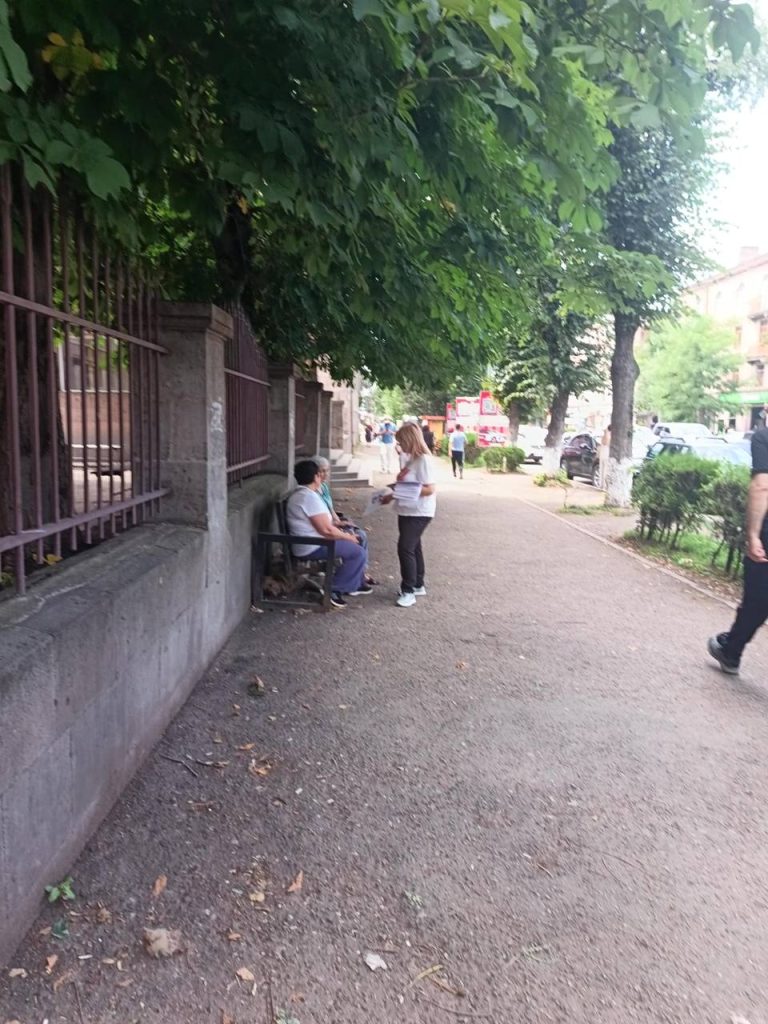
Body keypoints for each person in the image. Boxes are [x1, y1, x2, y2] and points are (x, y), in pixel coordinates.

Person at [708, 427, 768, 674]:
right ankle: (731, 648)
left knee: (757, 599)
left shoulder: (764, 437)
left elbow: (762, 486)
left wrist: (753, 534)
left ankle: (731, 652)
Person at [286, 459, 370, 608]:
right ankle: (333, 590)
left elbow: (321, 525)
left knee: (358, 538)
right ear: (316, 476)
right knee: (357, 553)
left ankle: (356, 583)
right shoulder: (308, 497)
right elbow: (326, 530)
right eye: (320, 473)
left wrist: (342, 529)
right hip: (312, 545)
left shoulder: (305, 494)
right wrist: (348, 537)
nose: (321, 476)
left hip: (314, 541)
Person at [383, 421, 436, 608]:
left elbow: (430, 489)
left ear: (410, 440)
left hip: (419, 511)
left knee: (405, 548)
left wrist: (403, 491)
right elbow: (407, 484)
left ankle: (408, 590)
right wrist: (393, 494)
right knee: (413, 547)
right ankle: (417, 584)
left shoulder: (424, 460)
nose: (400, 445)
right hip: (407, 509)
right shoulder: (412, 459)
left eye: (401, 442)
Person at [313, 454, 378, 584]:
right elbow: (322, 523)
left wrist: (339, 521)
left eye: (327, 470)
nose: (325, 474)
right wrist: (338, 526)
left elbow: (330, 509)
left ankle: (361, 573)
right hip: (324, 530)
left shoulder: (323, 487)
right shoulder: (312, 493)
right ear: (315, 473)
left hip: (331, 524)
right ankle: (356, 577)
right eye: (322, 471)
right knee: (358, 537)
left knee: (360, 534)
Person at [598, 423, 611, 489]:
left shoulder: (604, 435)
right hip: (606, 455)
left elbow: (602, 443)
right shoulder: (608, 436)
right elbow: (606, 443)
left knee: (602, 471)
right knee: (605, 471)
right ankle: (604, 485)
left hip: (602, 454)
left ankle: (601, 485)